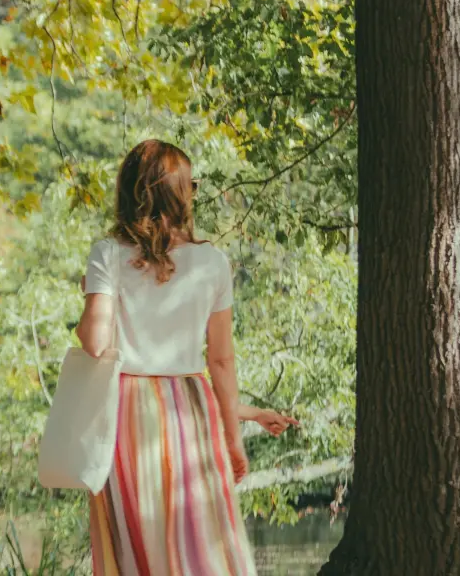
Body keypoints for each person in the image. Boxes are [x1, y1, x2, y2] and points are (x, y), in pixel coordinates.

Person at [70, 140, 293, 576]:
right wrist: (232, 438)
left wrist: (90, 297)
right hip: (191, 407)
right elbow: (222, 362)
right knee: (199, 541)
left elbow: (93, 343)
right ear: (182, 193)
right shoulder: (212, 262)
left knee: (135, 542)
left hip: (125, 412)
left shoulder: (108, 255)